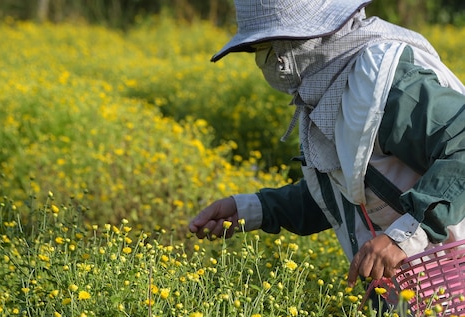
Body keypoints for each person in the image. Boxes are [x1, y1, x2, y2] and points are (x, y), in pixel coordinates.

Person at [188, 0, 465, 298]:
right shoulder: (332, 91)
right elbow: (348, 194)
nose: (262, 62)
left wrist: (405, 235)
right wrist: (251, 209)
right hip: (426, 305)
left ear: (290, 48)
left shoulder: (388, 84)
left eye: (263, 49)